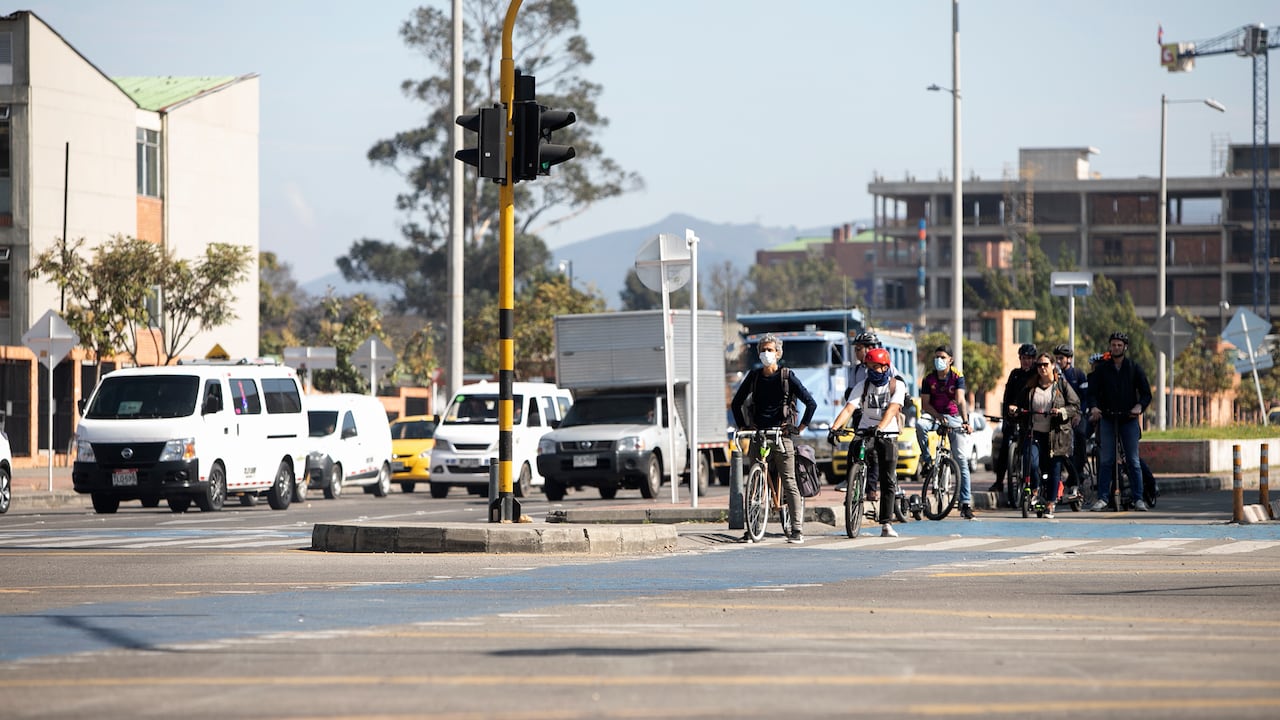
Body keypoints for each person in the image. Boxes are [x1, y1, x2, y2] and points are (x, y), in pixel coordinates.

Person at [731, 333, 818, 543]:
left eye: (770, 350)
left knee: (789, 480)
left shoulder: (787, 376)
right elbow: (736, 403)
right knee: (754, 480)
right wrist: (744, 425)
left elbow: (810, 403)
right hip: (758, 434)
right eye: (763, 350)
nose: (766, 354)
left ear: (778, 354)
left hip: (781, 434)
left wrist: (800, 427)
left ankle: (797, 529)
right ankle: (753, 526)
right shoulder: (754, 376)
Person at [828, 347, 905, 537]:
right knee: (854, 449)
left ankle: (886, 524)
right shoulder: (862, 385)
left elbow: (893, 409)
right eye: (868, 367)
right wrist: (834, 428)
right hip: (864, 429)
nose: (872, 370)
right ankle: (853, 483)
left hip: (886, 432)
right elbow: (848, 409)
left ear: (885, 367)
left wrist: (880, 428)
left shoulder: (897, 386)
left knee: (887, 478)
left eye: (876, 367)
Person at [1088, 332, 1152, 511]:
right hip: (1108, 418)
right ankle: (1102, 497)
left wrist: (1139, 406)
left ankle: (1138, 498)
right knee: (1106, 459)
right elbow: (1092, 392)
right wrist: (1094, 407)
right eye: (1113, 345)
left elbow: (1146, 393)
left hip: (1128, 419)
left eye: (1119, 345)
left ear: (1125, 347)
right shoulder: (1102, 369)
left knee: (1132, 460)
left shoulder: (1133, 367)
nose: (1116, 348)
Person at [1015, 352, 1080, 518]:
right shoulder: (1031, 387)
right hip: (1034, 432)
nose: (1042, 368)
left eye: (1045, 364)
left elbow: (1075, 406)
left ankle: (1051, 503)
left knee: (1054, 470)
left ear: (1052, 366)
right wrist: (1014, 410)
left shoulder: (1061, 385)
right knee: (1032, 462)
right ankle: (1034, 491)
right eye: (1039, 365)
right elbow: (1018, 404)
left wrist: (1061, 411)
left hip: (1056, 436)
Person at [918, 344, 975, 519]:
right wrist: (937, 416)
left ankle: (965, 503)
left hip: (954, 417)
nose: (939, 360)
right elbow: (925, 405)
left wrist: (965, 422)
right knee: (920, 425)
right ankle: (927, 461)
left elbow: (960, 399)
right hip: (934, 416)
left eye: (942, 357)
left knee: (961, 460)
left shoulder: (957, 376)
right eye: (937, 357)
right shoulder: (929, 379)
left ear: (950, 360)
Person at [833, 330, 880, 491]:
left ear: (870, 348)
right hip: (861, 414)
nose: (856, 352)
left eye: (858, 349)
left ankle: (872, 488)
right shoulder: (856, 370)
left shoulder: (884, 366)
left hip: (880, 416)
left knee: (875, 453)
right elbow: (851, 396)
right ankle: (851, 479)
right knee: (855, 447)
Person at [991, 343, 1039, 497]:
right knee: (1005, 446)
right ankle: (999, 482)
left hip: (1031, 418)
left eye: (1029, 358)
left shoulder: (1037, 374)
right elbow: (1007, 396)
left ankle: (1037, 484)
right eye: (1023, 358)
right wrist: (1007, 414)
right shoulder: (1015, 374)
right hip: (1013, 417)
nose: (1026, 362)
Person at [1054, 344, 1089, 493]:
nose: (1058, 361)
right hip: (1061, 414)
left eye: (1061, 358)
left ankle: (1079, 470)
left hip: (1077, 414)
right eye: (1056, 358)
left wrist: (1079, 414)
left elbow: (1085, 397)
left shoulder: (1078, 374)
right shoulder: (1055, 375)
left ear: (1069, 359)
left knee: (1080, 435)